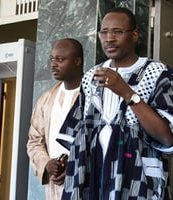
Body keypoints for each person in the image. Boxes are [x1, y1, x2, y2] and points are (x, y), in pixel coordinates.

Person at [57, 7, 173, 199]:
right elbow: (78, 135)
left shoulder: (158, 74)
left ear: (134, 35)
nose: (109, 38)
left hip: (137, 181)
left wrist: (127, 92)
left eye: (118, 32)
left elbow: (167, 137)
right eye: (104, 32)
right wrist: (63, 162)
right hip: (92, 182)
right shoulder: (90, 78)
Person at [27, 38, 84, 200]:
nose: (53, 64)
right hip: (55, 185)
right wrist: (46, 163)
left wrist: (74, 167)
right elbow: (34, 140)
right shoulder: (46, 99)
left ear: (77, 61)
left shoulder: (94, 96)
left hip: (85, 182)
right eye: (52, 59)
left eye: (60, 59)